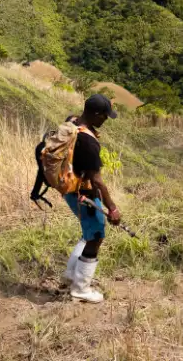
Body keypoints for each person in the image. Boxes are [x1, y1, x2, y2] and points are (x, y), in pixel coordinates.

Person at [61, 93, 122, 303]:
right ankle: (81, 289)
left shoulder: (73, 122)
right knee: (96, 235)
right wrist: (112, 208)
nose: (105, 121)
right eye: (104, 116)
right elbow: (97, 181)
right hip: (82, 193)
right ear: (95, 114)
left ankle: (71, 275)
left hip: (69, 188)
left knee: (88, 232)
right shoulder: (88, 142)